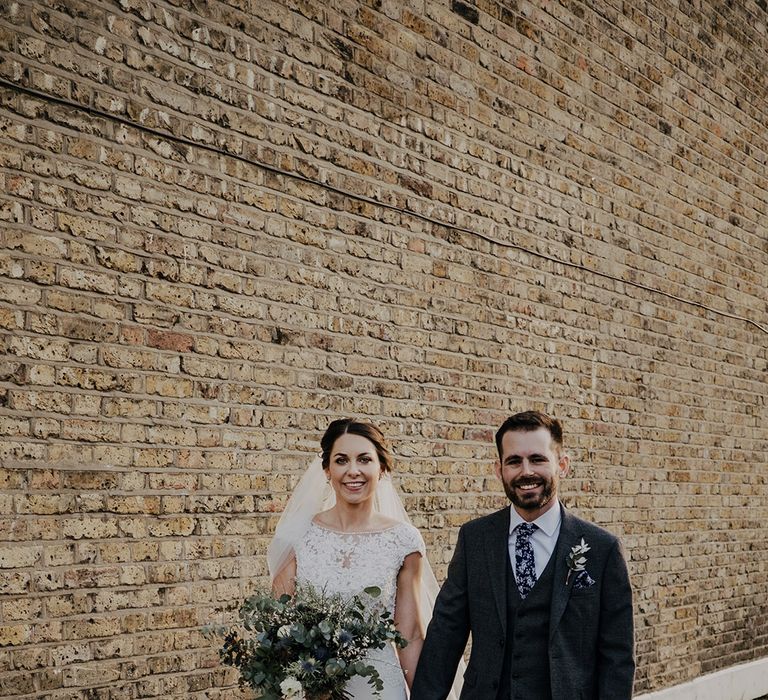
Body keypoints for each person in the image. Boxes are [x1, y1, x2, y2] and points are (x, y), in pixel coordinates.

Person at [411, 410, 635, 700]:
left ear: (562, 465)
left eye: (538, 459)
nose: (526, 471)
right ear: (499, 469)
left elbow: (618, 655)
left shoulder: (601, 548)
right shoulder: (475, 539)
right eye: (514, 461)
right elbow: (446, 632)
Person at [268, 418, 462, 700]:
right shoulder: (297, 536)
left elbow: (409, 634)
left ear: (381, 468)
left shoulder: (403, 540)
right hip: (315, 690)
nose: (353, 471)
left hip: (380, 689)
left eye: (364, 459)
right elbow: (280, 629)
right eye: (342, 460)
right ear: (327, 470)